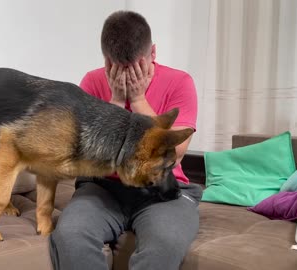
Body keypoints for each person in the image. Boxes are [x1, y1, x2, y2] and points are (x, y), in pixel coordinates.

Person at [49, 10, 202, 270]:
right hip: (103, 188)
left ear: (153, 53)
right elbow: (82, 155)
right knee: (70, 235)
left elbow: (176, 152)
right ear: (108, 61)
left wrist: (140, 100)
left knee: (164, 245)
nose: (128, 76)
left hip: (164, 189)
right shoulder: (92, 81)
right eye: (119, 68)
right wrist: (116, 102)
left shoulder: (180, 82)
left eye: (136, 67)